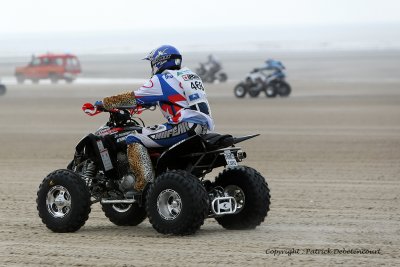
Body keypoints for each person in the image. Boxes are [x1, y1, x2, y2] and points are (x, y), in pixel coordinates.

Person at [96, 45, 214, 192]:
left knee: (134, 138)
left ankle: (143, 185)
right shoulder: (189, 75)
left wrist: (104, 103)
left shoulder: (162, 79)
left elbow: (133, 97)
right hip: (202, 127)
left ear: (159, 61)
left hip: (185, 126)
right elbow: (174, 97)